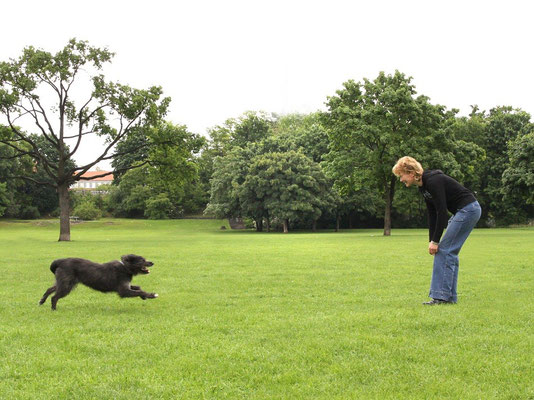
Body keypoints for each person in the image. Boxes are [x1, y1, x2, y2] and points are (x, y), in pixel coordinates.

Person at [392, 156, 481, 305]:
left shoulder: (433, 181)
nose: (401, 180)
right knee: (448, 251)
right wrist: (431, 241)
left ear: (411, 172)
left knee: (444, 250)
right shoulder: (423, 187)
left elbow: (441, 212)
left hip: (468, 209)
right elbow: (432, 214)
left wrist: (436, 241)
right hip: (464, 211)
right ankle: (449, 297)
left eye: (401, 175)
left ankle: (441, 297)